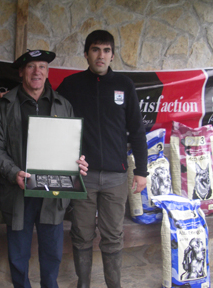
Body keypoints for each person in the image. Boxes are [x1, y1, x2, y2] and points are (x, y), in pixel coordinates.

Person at [0, 50, 88, 288]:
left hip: (52, 194)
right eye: (31, 66)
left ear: (47, 72)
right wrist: (14, 173)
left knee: (52, 254)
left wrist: (79, 162)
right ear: (21, 71)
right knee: (18, 255)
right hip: (17, 191)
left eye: (42, 66)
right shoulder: (5, 105)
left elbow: (73, 146)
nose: (37, 72)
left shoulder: (63, 105)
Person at [57, 30, 148, 288]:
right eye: (96, 49)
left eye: (107, 50)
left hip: (116, 177)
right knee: (81, 236)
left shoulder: (125, 86)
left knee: (112, 237)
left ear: (112, 55)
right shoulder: (71, 85)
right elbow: (53, 118)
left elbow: (138, 130)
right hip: (83, 177)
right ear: (86, 54)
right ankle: (83, 284)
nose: (101, 55)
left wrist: (141, 171)